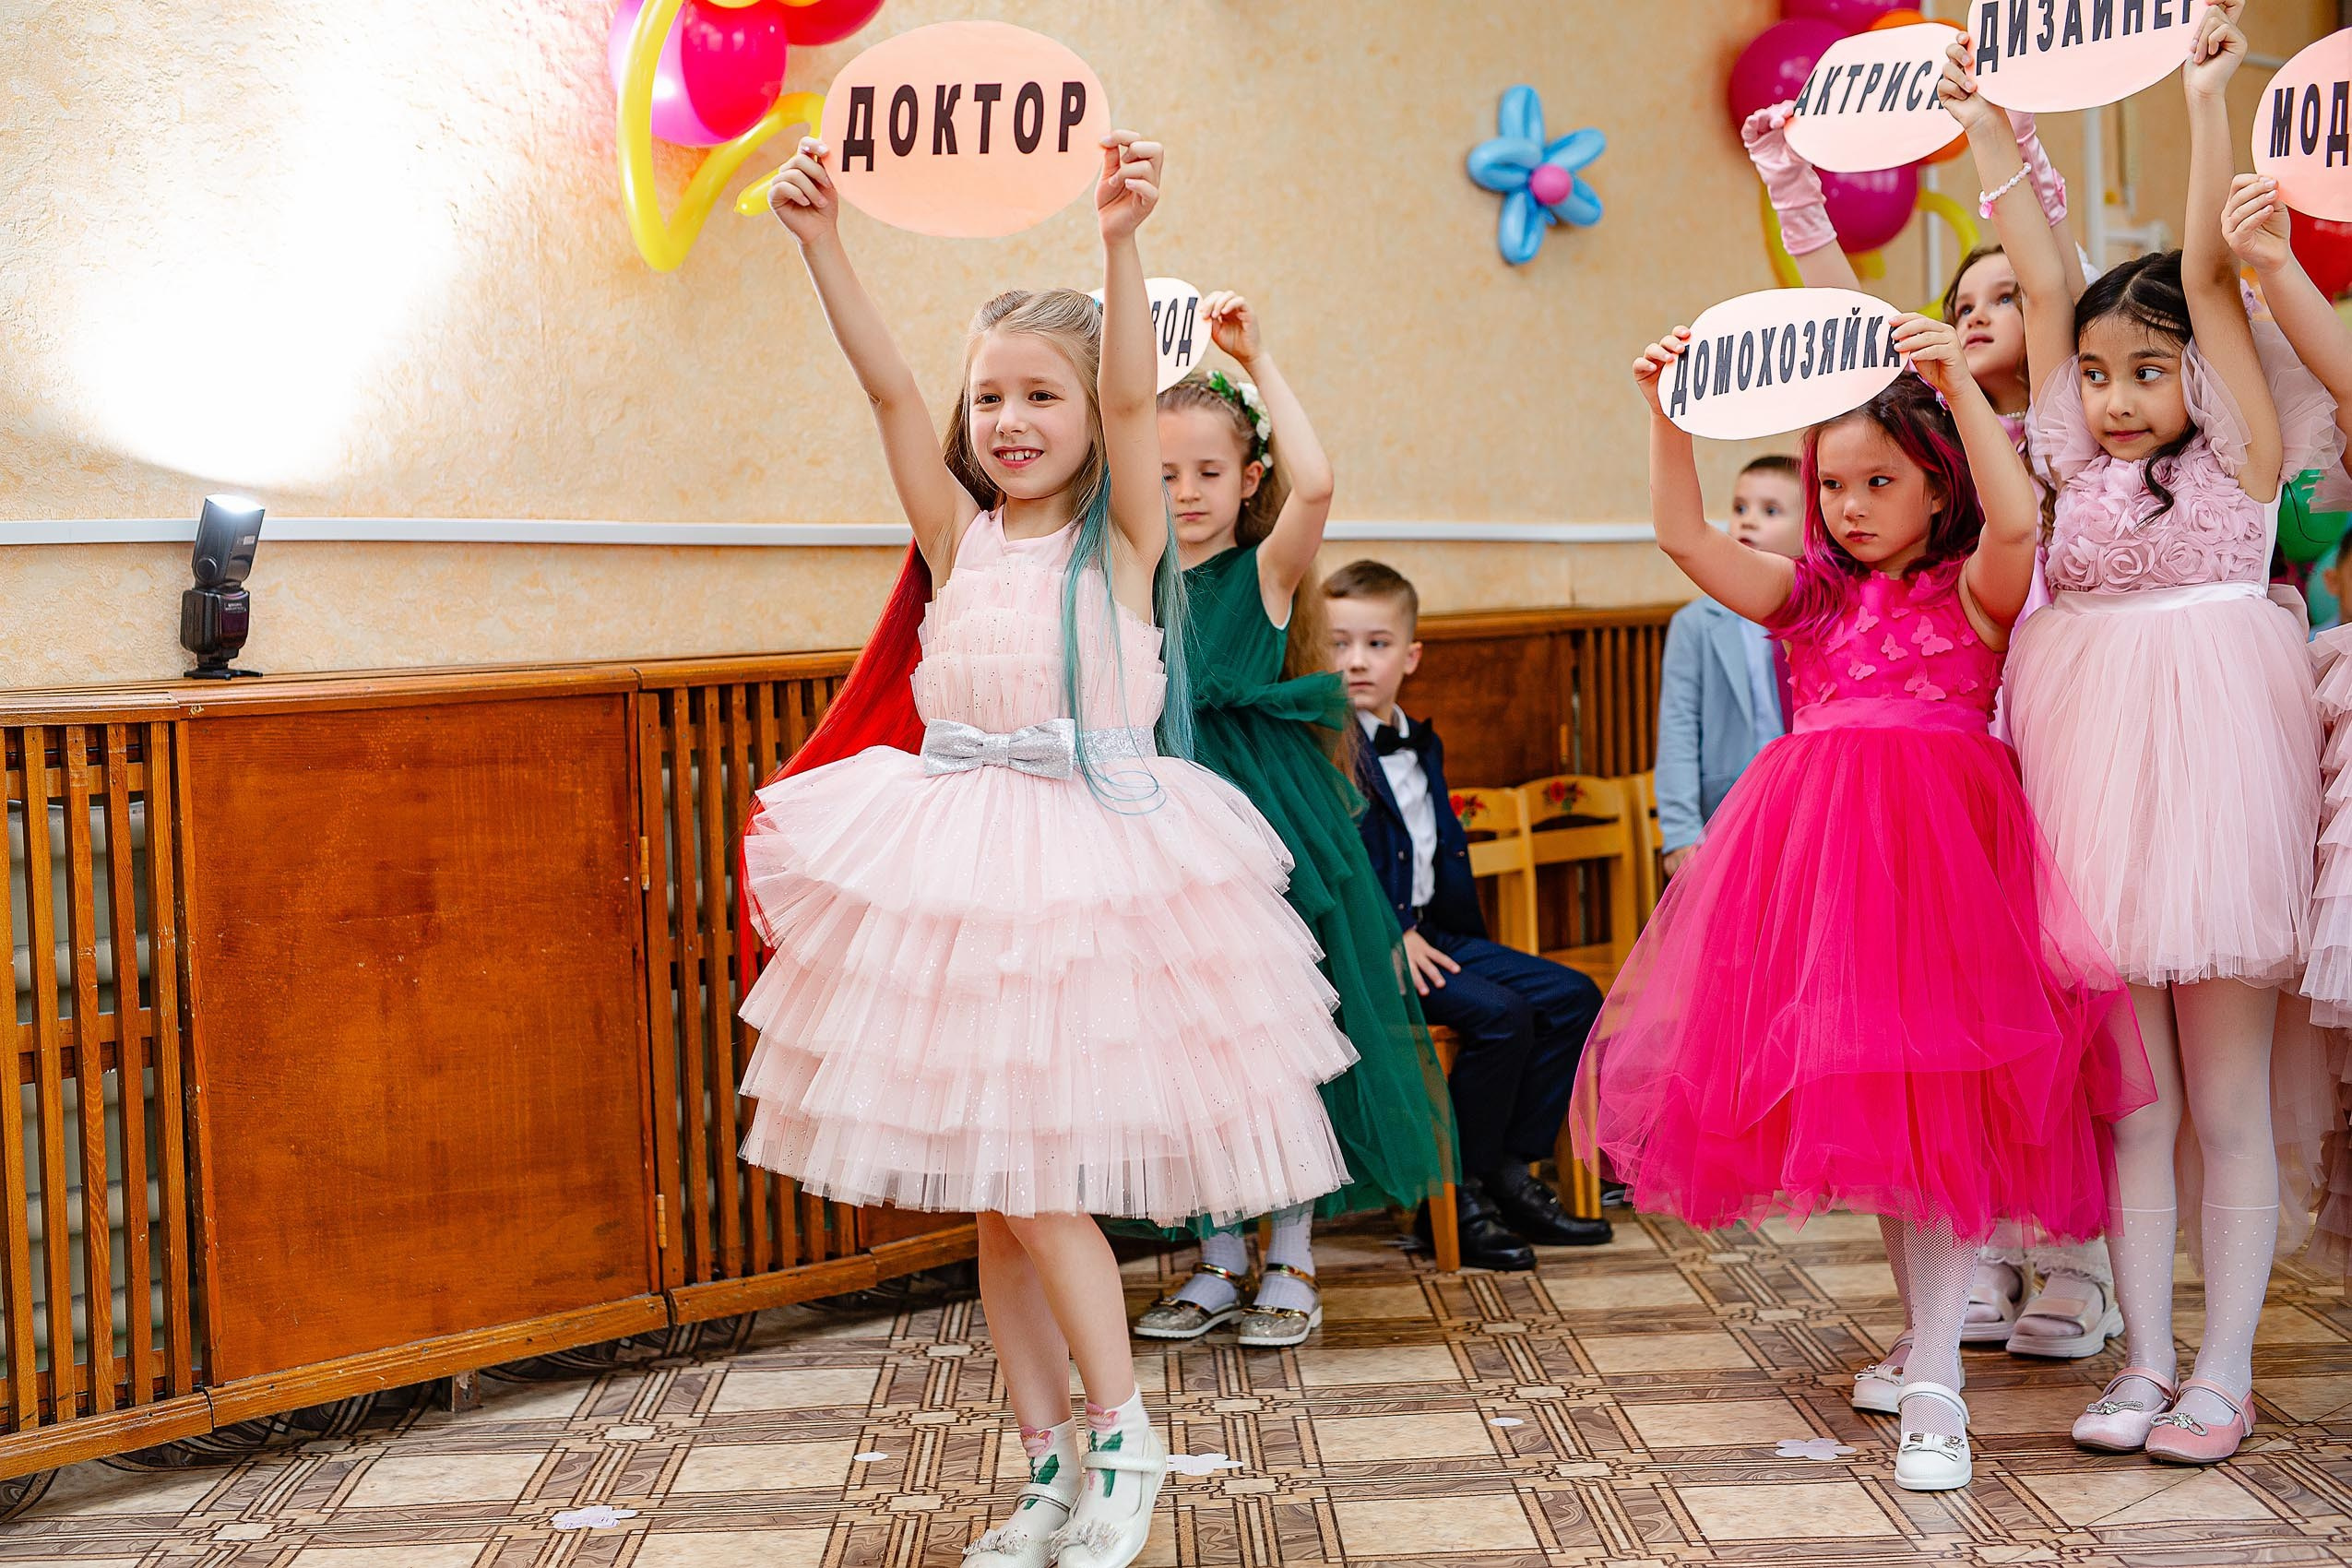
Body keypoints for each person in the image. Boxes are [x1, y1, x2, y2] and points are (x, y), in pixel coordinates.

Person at [733, 133, 1355, 1568]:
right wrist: (822, 245)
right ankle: (1046, 1465)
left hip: (1088, 871)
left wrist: (1121, 241)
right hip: (958, 867)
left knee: (1039, 1188)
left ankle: (1130, 1440)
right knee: (994, 1206)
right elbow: (889, 388)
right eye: (990, 397)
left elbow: (1141, 393)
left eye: (1040, 396)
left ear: (1089, 415)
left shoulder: (1123, 542)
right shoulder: (960, 539)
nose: (1008, 420)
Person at [1576, 303, 2149, 1493]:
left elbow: (2019, 513)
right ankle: (1929, 1349)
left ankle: (1936, 1380)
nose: (1845, 505)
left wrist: (1955, 387)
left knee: (1934, 1113)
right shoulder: (1814, 605)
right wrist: (1664, 417)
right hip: (1826, 871)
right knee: (1889, 1133)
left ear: (1934, 486)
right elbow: (1681, 534)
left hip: (1945, 868)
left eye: (1875, 480)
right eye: (1830, 482)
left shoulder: (1980, 588)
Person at [1950, 7, 2342, 1464]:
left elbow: (2198, 270)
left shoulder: (2240, 443)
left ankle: (2222, 1374)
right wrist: (1988, 120)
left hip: (2216, 780)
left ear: (2198, 370)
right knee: (2133, 1105)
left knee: (2222, 1096)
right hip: (2093, 785)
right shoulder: (2062, 444)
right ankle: (2143, 1358)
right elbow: (2045, 275)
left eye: (2144, 369)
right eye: (2098, 372)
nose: (2113, 396)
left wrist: (2202, 102)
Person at [1746, 84, 2123, 1365]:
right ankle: (1979, 1257)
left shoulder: (2069, 423)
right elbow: (1844, 332)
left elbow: (2050, 275)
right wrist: (1797, 192)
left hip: (2059, 706)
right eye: (1955, 309)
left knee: (2056, 997)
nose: (1971, 321)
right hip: (1948, 734)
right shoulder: (1916, 441)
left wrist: (1997, 142)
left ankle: (2074, 1255)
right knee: (1947, 1004)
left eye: (1996, 299)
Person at [1132, 298, 1455, 1348]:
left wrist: (1259, 358)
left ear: (1247, 479)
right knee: (1196, 1047)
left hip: (1263, 836)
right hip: (1161, 838)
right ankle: (1219, 1255)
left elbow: (1318, 482)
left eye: (1209, 473)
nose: (1186, 493)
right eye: (1166, 471)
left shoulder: (1263, 573)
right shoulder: (1128, 579)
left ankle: (1295, 1254)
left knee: (1276, 1044)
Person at [1324, 559, 1612, 1269]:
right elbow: (1320, 862)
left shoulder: (1421, 740)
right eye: (1338, 643)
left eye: (1377, 643)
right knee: (1500, 1016)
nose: (1357, 661)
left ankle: (1510, 1168)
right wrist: (1388, 936)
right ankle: (1452, 1194)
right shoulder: (1317, 747)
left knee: (1573, 997)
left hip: (1434, 930)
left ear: (1411, 656)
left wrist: (1421, 929)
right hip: (1366, 949)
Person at [1657, 455, 1805, 879]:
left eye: (1770, 510)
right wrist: (1681, 832)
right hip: (1728, 817)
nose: (1748, 522)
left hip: (1812, 809)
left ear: (1811, 526)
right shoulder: (1696, 625)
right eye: (1740, 508)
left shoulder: (1827, 617)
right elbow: (1678, 729)